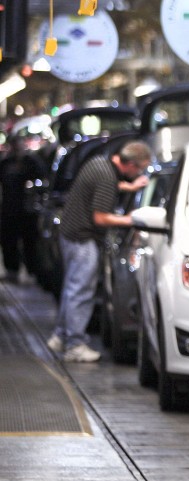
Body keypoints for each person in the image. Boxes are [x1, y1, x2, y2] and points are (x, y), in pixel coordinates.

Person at [47, 140, 152, 363]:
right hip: (82, 238)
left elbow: (106, 186)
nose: (138, 173)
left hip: (70, 234)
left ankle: (61, 335)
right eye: (139, 169)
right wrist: (131, 219)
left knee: (71, 288)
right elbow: (100, 217)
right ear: (131, 164)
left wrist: (129, 188)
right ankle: (75, 344)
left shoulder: (100, 164)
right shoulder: (106, 176)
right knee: (81, 291)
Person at [0, 135, 45, 283]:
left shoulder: (31, 162)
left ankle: (32, 270)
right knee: (9, 242)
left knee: (29, 242)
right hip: (9, 209)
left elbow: (42, 180)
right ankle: (12, 269)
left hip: (27, 209)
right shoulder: (6, 163)